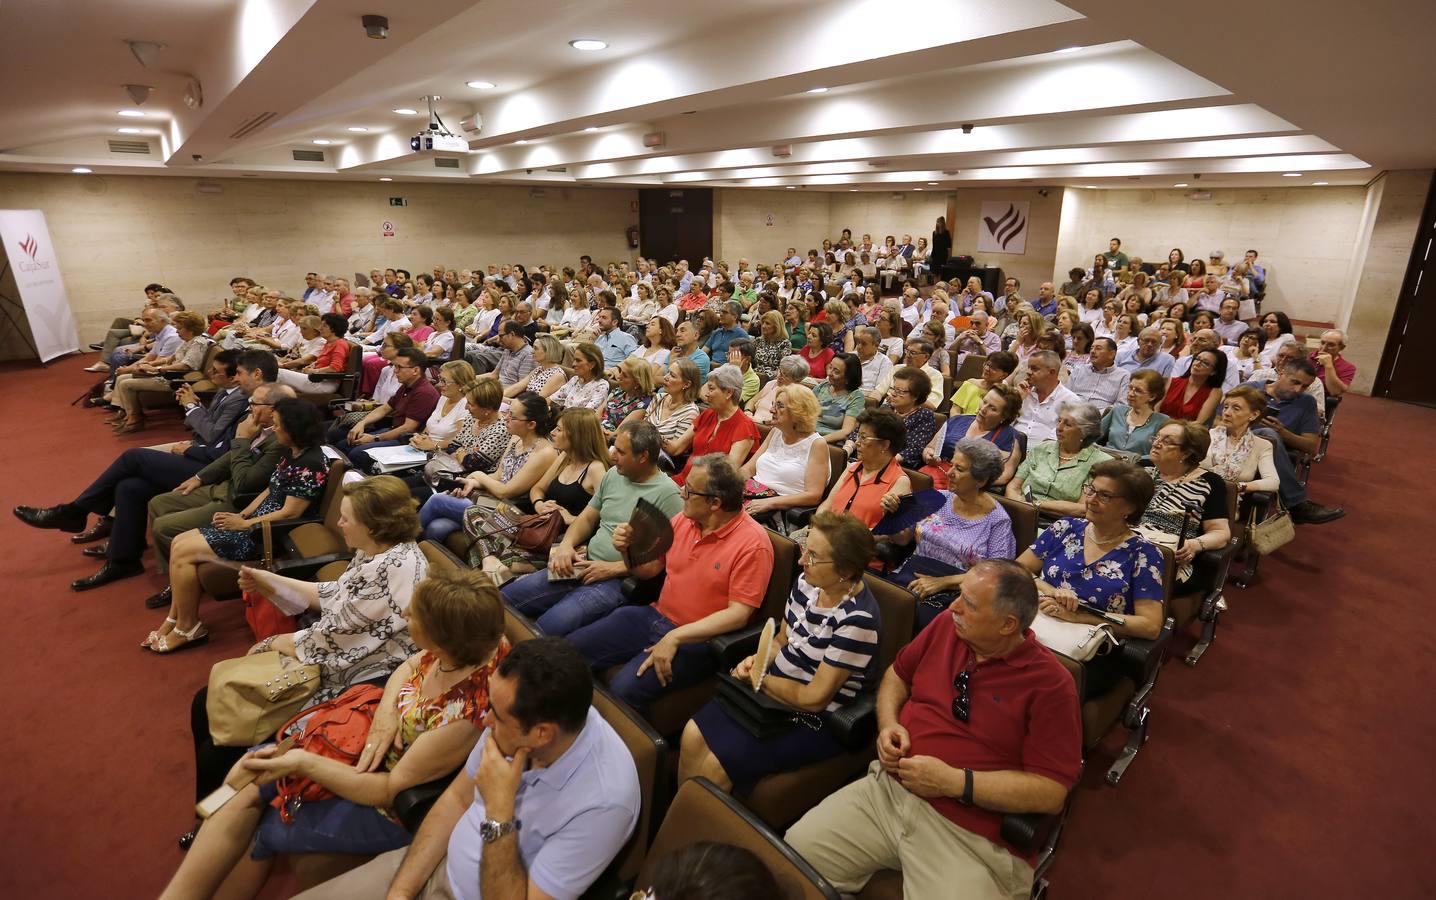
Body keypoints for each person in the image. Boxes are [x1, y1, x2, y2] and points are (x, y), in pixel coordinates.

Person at [159, 569, 509, 900]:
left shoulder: (463, 715)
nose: (404, 613)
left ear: (441, 638)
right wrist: (387, 714)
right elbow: (409, 664)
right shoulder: (467, 642)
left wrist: (303, 762)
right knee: (244, 776)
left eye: (414, 616)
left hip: (387, 803)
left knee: (263, 826)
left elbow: (389, 791)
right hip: (357, 749)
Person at [785, 559, 1080, 900]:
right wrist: (889, 724)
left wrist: (954, 782)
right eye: (959, 595)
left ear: (1007, 624)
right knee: (794, 860)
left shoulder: (1051, 686)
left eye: (968, 604)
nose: (953, 606)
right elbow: (897, 674)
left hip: (968, 833)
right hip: (888, 793)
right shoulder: (947, 626)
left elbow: (1051, 791)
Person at [294, 637, 640, 900]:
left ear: (541, 734)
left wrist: (499, 813)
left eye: (497, 715)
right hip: (438, 862)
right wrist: (402, 891)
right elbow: (456, 800)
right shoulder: (515, 726)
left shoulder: (605, 801)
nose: (486, 720)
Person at [12, 350, 260, 591]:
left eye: (239, 373)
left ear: (256, 375)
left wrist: (191, 421)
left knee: (133, 457)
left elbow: (221, 448)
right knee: (130, 487)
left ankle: (75, 511)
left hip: (210, 467)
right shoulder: (238, 395)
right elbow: (211, 436)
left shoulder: (255, 405)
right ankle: (123, 560)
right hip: (203, 454)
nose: (236, 378)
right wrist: (193, 407)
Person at [680, 511, 881, 792]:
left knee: (717, 766)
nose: (801, 561)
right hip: (771, 690)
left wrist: (759, 679)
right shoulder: (808, 583)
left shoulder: (858, 621)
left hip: (811, 717)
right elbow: (782, 639)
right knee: (691, 733)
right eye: (804, 549)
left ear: (845, 572)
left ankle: (705, 829)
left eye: (812, 556)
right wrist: (757, 661)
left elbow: (814, 699)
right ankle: (682, 822)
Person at [566, 454, 775, 714]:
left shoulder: (753, 544)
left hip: (699, 640)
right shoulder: (684, 520)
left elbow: (739, 615)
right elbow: (650, 570)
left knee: (623, 689)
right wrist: (627, 549)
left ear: (715, 503)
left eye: (689, 490)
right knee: (568, 653)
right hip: (654, 615)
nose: (681, 493)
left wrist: (675, 636)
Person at [144, 399, 329, 653]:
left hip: (264, 534)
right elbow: (271, 488)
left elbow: (291, 512)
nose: (273, 430)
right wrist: (244, 512)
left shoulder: (312, 462)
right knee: (179, 542)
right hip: (253, 522)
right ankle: (175, 620)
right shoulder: (293, 451)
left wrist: (245, 523)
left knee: (185, 553)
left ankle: (189, 627)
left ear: (294, 429)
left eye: (277, 425)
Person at [502, 421, 684, 635]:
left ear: (643, 456)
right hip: (582, 562)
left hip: (618, 579)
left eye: (621, 452)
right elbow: (587, 518)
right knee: (506, 598)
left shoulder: (669, 495)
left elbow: (665, 561)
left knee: (548, 626)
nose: (612, 456)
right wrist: (567, 546)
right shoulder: (614, 474)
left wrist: (613, 568)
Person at [1016, 460, 1165, 697]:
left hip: (1090, 648)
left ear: (1130, 507)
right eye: (1091, 489)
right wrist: (1050, 590)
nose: (1091, 499)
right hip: (1038, 620)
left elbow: (1150, 625)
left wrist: (1080, 616)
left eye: (1105, 496)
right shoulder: (1065, 527)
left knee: (1030, 679)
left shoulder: (1144, 555)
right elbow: (1018, 570)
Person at [889, 439, 1017, 630]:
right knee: (880, 608)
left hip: (957, 593)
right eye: (951, 464)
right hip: (911, 576)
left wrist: (943, 583)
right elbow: (902, 540)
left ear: (980, 480)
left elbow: (997, 576)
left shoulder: (998, 521)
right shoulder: (938, 497)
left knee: (908, 623)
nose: (949, 472)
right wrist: (894, 516)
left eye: (959, 469)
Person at [471, 408, 609, 582]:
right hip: (537, 523)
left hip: (561, 540)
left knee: (503, 557)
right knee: (473, 511)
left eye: (558, 430)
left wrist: (571, 518)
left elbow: (604, 519)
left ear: (577, 435)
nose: (552, 432)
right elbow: (538, 488)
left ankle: (495, 567)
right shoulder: (564, 457)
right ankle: (489, 562)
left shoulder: (596, 469)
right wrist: (539, 505)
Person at [418, 393, 559, 542]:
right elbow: (498, 476)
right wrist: (472, 482)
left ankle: (402, 545)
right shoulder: (516, 438)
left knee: (437, 500)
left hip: (512, 514)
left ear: (531, 424)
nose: (506, 418)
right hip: (491, 502)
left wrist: (478, 475)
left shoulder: (545, 452)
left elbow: (505, 492)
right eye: (508, 413)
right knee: (437, 527)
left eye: (513, 416)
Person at [1240, 359, 1345, 524]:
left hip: (1271, 457)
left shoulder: (1307, 402)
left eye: (1304, 387)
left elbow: (1310, 446)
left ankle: (1295, 504)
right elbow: (1218, 423)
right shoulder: (1249, 389)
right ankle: (1297, 505)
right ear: (1281, 373)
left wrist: (1283, 432)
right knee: (1268, 434)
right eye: (1295, 382)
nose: (1297, 390)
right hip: (1237, 446)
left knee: (1270, 436)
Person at [1138, 421, 1233, 586]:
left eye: (1166, 441)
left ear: (1187, 453)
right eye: (1157, 437)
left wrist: (1194, 545)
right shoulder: (1140, 470)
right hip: (1127, 544)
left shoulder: (1209, 483)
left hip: (1167, 559)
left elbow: (1221, 533)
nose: (1156, 443)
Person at [350, 360, 477, 471]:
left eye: (444, 381)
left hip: (440, 455)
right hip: (422, 449)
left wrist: (433, 445)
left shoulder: (466, 406)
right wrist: (420, 437)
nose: (439, 384)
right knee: (361, 453)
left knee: (361, 455)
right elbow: (430, 427)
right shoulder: (444, 398)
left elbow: (459, 442)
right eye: (439, 379)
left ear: (461, 384)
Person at [105, 310, 211, 433]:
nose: (176, 331)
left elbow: (185, 366)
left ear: (190, 329)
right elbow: (169, 358)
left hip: (178, 378)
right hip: (170, 374)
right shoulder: (188, 341)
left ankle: (136, 419)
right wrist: (150, 364)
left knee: (126, 384)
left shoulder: (198, 343)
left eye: (180, 328)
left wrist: (156, 369)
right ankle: (127, 414)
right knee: (123, 378)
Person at [328, 348, 440, 457]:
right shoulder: (407, 385)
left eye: (399, 367)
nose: (395, 371)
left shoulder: (424, 392)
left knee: (356, 452)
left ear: (415, 370)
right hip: (392, 429)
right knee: (339, 437)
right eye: (394, 366)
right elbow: (385, 408)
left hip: (405, 439)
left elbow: (408, 428)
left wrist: (374, 438)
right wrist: (361, 423)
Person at [740, 384, 829, 522]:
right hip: (753, 495)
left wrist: (771, 503)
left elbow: (814, 495)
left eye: (779, 406)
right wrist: (730, 484)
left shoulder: (817, 444)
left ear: (798, 412)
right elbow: (749, 468)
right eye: (773, 404)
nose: (771, 410)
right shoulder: (776, 432)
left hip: (780, 509)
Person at [1007, 402, 1105, 517]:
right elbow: (1014, 486)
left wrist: (1036, 505)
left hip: (1062, 524)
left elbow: (1084, 508)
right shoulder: (1041, 449)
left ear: (1084, 432)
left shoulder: (1101, 463)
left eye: (1067, 425)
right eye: (1059, 421)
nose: (1059, 428)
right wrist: (1017, 505)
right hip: (1022, 514)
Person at [818, 409, 911, 529]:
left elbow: (901, 538)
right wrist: (817, 527)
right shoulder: (852, 468)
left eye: (863, 438)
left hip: (857, 545)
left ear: (885, 445)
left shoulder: (899, 481)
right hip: (826, 534)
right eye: (858, 436)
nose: (857, 442)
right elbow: (827, 505)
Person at [921, 384, 1023, 490]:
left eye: (992, 408)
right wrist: (928, 455)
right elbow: (930, 448)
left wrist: (970, 479)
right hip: (933, 475)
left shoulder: (1010, 438)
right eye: (984, 401)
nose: (983, 409)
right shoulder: (957, 420)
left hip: (966, 488)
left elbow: (1004, 476)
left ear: (1004, 416)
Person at [673, 365, 760, 485]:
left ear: (729, 392)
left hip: (708, 489)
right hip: (684, 480)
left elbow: (727, 473)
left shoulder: (744, 426)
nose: (706, 394)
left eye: (711, 389)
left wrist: (690, 489)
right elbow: (676, 448)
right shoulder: (708, 414)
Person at [1205, 386, 1280, 494]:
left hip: (1228, 502)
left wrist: (1238, 487)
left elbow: (1273, 482)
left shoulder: (1263, 446)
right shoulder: (1206, 436)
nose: (1227, 413)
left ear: (1253, 415)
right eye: (1226, 407)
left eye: (1236, 408)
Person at [274, 313, 354, 396]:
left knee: (279, 373)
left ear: (334, 329)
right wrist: (312, 365)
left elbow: (335, 368)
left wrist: (314, 371)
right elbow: (322, 360)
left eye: (324, 326)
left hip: (326, 384)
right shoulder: (329, 342)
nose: (320, 328)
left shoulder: (340, 344)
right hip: (317, 379)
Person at [1099, 370, 1170, 456]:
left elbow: (1160, 453)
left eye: (1138, 391)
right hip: (1105, 462)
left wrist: (1136, 459)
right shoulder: (1117, 411)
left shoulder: (1162, 421)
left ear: (1152, 397)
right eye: (1130, 388)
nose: (1131, 393)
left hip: (1137, 467)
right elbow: (1093, 437)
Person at [1014, 351, 1080, 443]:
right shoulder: (1022, 392)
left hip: (1043, 452)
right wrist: (1016, 401)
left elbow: (1065, 435)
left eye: (1034, 369)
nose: (1028, 372)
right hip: (1009, 445)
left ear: (1052, 372)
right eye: (1028, 368)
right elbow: (1003, 424)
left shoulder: (1071, 401)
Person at [879, 366, 938, 466]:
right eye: (893, 389)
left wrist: (882, 463)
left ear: (915, 396)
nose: (893, 394)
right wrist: (848, 449)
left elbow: (914, 449)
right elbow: (864, 430)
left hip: (898, 466)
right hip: (873, 457)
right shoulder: (887, 408)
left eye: (900, 391)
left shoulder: (924, 416)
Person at [647, 357, 702, 457]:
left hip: (661, 462)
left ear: (687, 384)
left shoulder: (690, 412)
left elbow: (673, 450)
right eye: (668, 372)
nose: (665, 377)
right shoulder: (659, 398)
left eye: (672, 375)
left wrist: (647, 434)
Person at [1065, 336, 1130, 413]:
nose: (1092, 351)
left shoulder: (1123, 376)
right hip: (1072, 412)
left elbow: (1121, 405)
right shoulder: (1079, 370)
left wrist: (1097, 415)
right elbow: (1066, 394)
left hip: (1100, 419)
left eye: (1098, 348)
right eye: (1091, 348)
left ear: (1112, 354)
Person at [813, 352, 865, 444]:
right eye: (830, 367)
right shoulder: (823, 386)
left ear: (848, 377)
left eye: (836, 371)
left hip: (829, 443)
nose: (829, 373)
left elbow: (846, 432)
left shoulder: (856, 396)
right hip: (808, 435)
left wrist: (817, 441)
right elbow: (803, 411)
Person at [599, 356, 656, 439]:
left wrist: (596, 430)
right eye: (620, 372)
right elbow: (597, 415)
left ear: (637, 383)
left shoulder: (642, 405)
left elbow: (616, 435)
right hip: (598, 432)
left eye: (625, 376)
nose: (618, 377)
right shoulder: (618, 391)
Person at [947, 349, 1017, 415]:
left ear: (1003, 375)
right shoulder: (970, 383)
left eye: (993, 368)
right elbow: (955, 409)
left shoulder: (1004, 395)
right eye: (987, 364)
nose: (987, 369)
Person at [503, 333, 567, 400]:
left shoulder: (557, 376)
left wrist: (507, 400)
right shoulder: (539, 369)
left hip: (533, 408)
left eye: (536, 348)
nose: (532, 351)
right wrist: (499, 397)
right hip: (523, 404)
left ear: (548, 351)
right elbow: (517, 387)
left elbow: (536, 401)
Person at [1311, 329, 1355, 399]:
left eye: (1331, 345)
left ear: (1341, 348)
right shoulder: (1307, 357)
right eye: (1322, 343)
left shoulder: (1348, 367)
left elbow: (1335, 391)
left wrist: (1329, 366)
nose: (1324, 348)